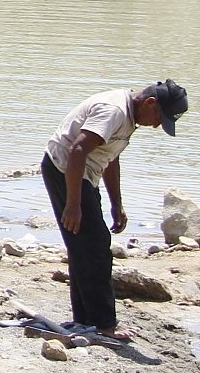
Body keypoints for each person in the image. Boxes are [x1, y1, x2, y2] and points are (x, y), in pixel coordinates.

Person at [42, 80, 190, 340]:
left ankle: (86, 319)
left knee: (84, 245)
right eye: (159, 118)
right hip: (66, 169)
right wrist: (73, 204)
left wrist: (116, 203)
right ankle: (103, 323)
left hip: (83, 174)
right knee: (96, 246)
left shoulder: (131, 116)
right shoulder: (115, 111)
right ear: (150, 103)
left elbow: (110, 158)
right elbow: (77, 150)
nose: (156, 125)